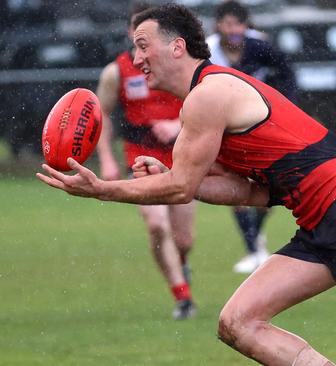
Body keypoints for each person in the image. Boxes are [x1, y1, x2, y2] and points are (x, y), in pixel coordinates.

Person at [37, 4, 336, 365]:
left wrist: (101, 189)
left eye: (143, 45)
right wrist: (176, 179)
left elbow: (180, 189)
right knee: (237, 322)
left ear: (177, 46)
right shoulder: (203, 99)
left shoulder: (209, 95)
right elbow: (251, 192)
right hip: (320, 218)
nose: (136, 56)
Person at [94, 1, 197, 320]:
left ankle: (181, 263)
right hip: (140, 157)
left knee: (184, 239)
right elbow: (100, 115)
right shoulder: (116, 71)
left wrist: (177, 125)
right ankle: (182, 297)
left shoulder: (183, 66)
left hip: (182, 157)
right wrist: (107, 158)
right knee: (156, 225)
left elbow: (209, 105)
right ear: (130, 32)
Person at [206, 0, 298, 273]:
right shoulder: (209, 51)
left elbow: (287, 76)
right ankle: (253, 249)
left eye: (238, 23)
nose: (233, 29)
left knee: (268, 187)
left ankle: (255, 241)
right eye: (228, 23)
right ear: (219, 25)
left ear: (246, 26)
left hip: (262, 127)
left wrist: (284, 108)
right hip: (226, 128)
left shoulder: (261, 47)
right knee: (235, 185)